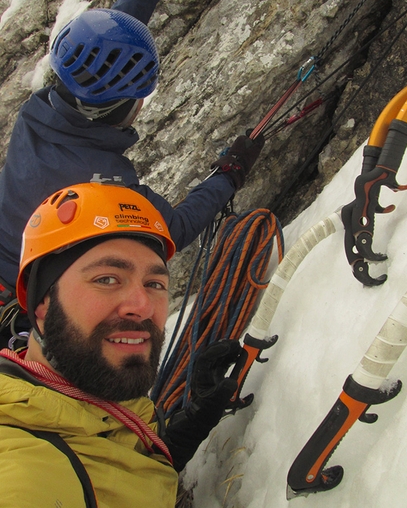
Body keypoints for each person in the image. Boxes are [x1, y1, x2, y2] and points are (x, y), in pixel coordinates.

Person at [0, 0, 264, 315]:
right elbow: (174, 227)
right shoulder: (104, 183)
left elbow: (108, 40)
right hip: (25, 303)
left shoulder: (42, 107)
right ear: (120, 109)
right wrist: (230, 174)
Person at [0, 180, 245, 507]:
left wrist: (176, 439)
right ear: (41, 303)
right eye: (107, 279)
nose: (142, 305)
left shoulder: (96, 400)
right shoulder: (25, 479)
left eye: (155, 283)